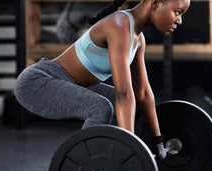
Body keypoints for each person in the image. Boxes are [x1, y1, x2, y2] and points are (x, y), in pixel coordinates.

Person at [14, 0, 190, 160]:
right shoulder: (119, 25)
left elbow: (142, 93)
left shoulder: (138, 39)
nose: (179, 21)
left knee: (115, 103)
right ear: (156, 3)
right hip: (36, 83)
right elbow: (124, 92)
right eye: (178, 12)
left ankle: (110, 159)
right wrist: (133, 150)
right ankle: (86, 166)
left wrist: (157, 140)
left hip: (65, 82)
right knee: (101, 107)